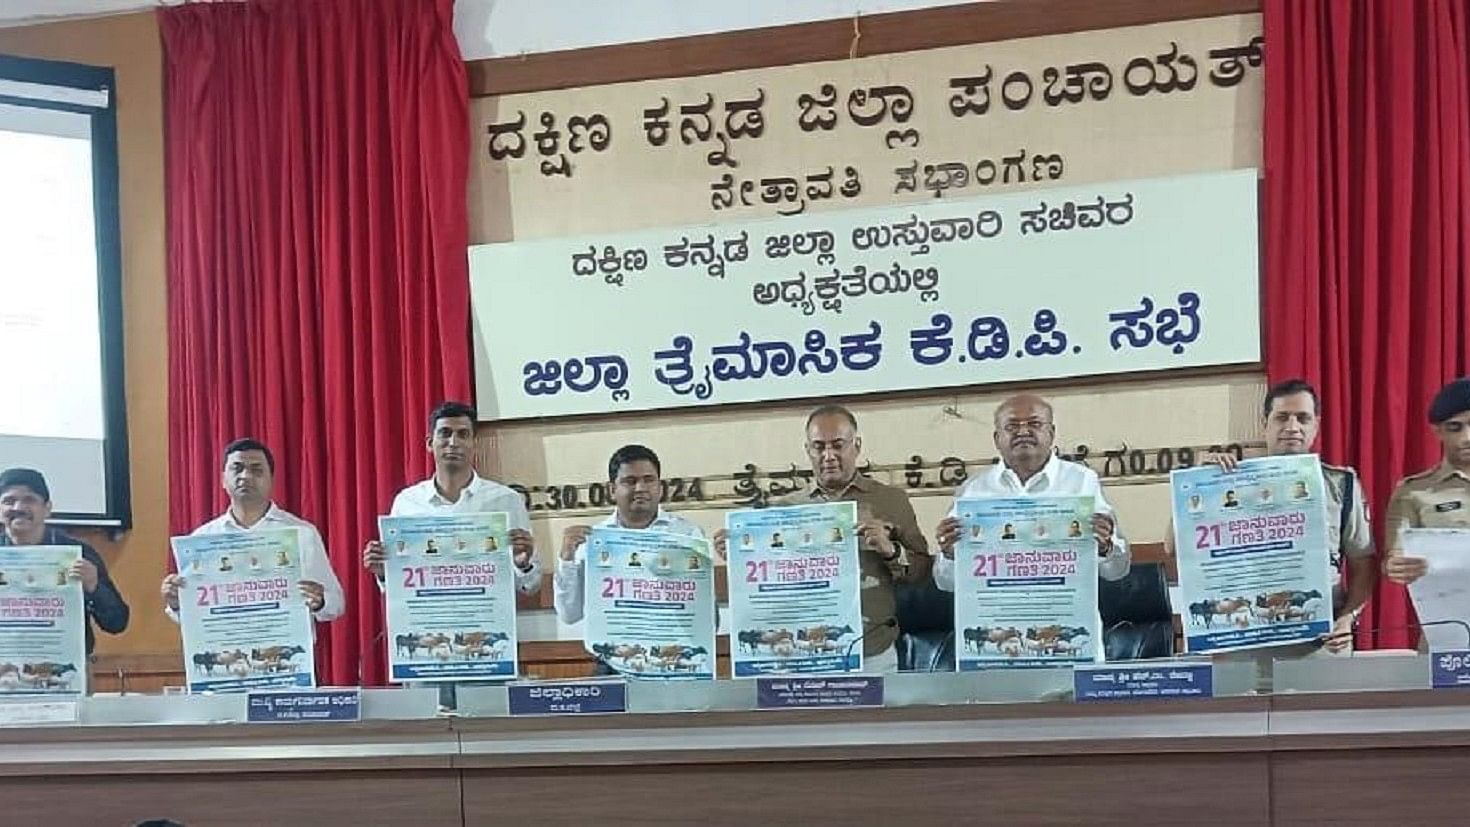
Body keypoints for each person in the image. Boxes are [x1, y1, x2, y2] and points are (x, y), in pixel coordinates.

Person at [1164, 379, 1376, 654]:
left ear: (1316, 425)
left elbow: (1364, 563)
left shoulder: (1341, 485)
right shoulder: (1227, 482)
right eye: (1282, 418)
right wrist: (1198, 483)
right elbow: (1172, 547)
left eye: (1302, 418)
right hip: (1242, 647)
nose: (1292, 427)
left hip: (1320, 645)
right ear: (1266, 423)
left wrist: (1348, 618)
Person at [717, 405, 932, 674]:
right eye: (819, 447)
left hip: (870, 651)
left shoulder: (890, 500)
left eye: (838, 445)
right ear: (808, 450)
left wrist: (890, 550)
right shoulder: (784, 510)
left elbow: (922, 575)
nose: (828, 456)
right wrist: (739, 557)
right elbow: (767, 582)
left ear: (857, 446)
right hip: (802, 653)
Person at [360, 401, 541, 709]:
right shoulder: (407, 503)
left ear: (474, 443)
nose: (453, 442)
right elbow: (396, 586)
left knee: (488, 744)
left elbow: (531, 584)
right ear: (429, 443)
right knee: (428, 747)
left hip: (483, 654)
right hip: (425, 653)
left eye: (462, 434)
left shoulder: (505, 501)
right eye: (445, 434)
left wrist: (523, 563)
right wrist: (380, 571)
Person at [933, 394, 1131, 597]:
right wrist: (949, 554)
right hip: (996, 620)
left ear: (1051, 432)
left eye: (1034, 424)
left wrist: (1105, 548)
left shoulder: (1082, 482)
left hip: (1066, 616)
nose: (1023, 432)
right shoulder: (974, 490)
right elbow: (946, 583)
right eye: (1012, 426)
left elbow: (1118, 571)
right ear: (997, 439)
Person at [161, 439, 345, 625]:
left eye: (256, 469)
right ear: (223, 480)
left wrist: (320, 601)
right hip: (225, 651)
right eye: (237, 468)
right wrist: (177, 603)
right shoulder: (203, 539)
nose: (246, 476)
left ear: (271, 479)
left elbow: (336, 604)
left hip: (285, 650)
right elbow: (192, 616)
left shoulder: (302, 533)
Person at [554, 445, 705, 626]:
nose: (640, 488)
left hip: (672, 649)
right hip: (614, 649)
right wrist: (566, 559)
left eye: (649, 480)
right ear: (612, 490)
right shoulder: (592, 542)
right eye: (630, 481)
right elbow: (569, 614)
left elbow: (704, 613)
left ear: (660, 487)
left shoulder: (688, 534)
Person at [0, 467, 130, 655]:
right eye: (9, 501)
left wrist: (94, 587)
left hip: (67, 672)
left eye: (29, 500)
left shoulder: (78, 553)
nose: (18, 508)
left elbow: (117, 622)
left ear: (47, 509)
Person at [1383, 378, 1470, 619]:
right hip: (1448, 627)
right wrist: (1395, 567)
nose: (1467, 437)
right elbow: (1395, 557)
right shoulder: (1413, 492)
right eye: (1455, 427)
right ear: (1437, 431)